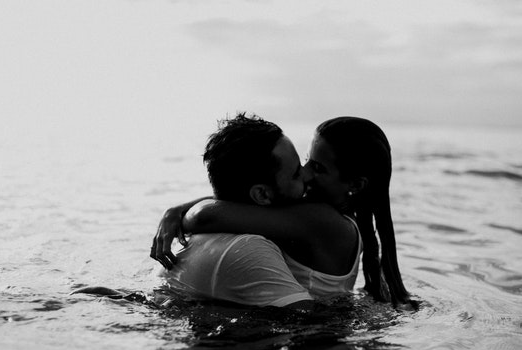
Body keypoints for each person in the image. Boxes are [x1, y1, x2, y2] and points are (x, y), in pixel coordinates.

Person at [152, 116, 412, 307]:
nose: (306, 173)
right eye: (307, 161)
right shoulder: (314, 214)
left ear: (355, 185)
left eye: (318, 169)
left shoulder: (323, 221)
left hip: (312, 336)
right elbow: (244, 203)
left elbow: (208, 216)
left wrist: (179, 213)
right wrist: (177, 210)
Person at [152, 113, 314, 309]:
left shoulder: (197, 237)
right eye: (296, 174)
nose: (308, 175)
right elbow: (306, 318)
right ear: (262, 194)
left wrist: (176, 211)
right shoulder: (249, 247)